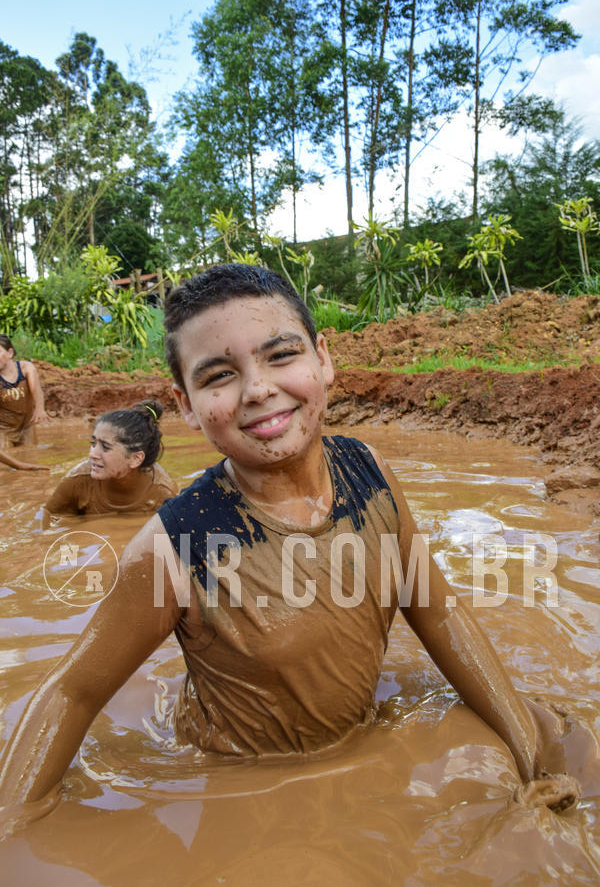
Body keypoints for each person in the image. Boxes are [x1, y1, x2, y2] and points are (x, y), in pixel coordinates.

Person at [0, 263, 578, 836]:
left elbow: (442, 615)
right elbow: (72, 692)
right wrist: (15, 825)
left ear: (322, 359)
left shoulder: (369, 472)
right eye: (219, 375)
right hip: (241, 787)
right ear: (186, 404)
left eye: (280, 355)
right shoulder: (175, 545)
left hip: (359, 745)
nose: (258, 390)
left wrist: (530, 752)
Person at [42, 400, 178, 525]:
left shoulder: (163, 493)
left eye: (105, 447)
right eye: (93, 443)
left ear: (135, 458)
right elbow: (49, 523)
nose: (92, 454)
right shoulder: (78, 481)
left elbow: (181, 539)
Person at [0, 334, 48, 448]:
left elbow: (36, 390)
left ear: (10, 353)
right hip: (3, 430)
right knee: (6, 455)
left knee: (31, 454)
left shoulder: (26, 368)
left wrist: (40, 409)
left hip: (27, 426)